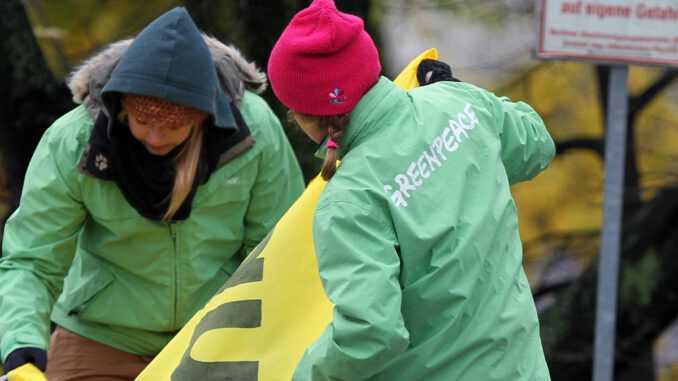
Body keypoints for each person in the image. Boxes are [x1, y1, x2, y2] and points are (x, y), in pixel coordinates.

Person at [0, 7, 304, 380]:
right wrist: (20, 346)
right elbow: (33, 259)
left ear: (204, 117)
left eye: (174, 126)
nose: (156, 137)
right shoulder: (74, 141)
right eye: (143, 121)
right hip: (100, 336)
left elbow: (276, 251)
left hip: (215, 334)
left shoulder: (253, 134)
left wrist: (276, 341)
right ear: (121, 105)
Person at [267, 0, 555, 380]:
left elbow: (371, 334)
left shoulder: (350, 199)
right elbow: (536, 145)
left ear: (302, 114)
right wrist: (459, 97)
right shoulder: (456, 103)